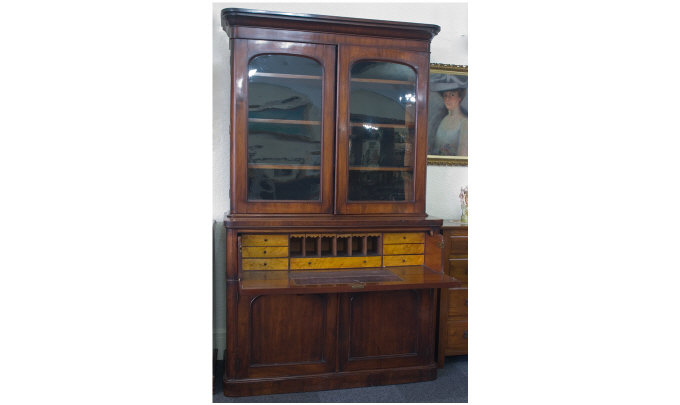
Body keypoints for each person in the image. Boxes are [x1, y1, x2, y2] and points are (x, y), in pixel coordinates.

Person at [428, 79, 468, 156]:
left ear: (459, 98)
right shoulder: (442, 120)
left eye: (452, 95)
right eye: (445, 95)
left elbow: (462, 155)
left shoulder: (465, 122)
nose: (447, 99)